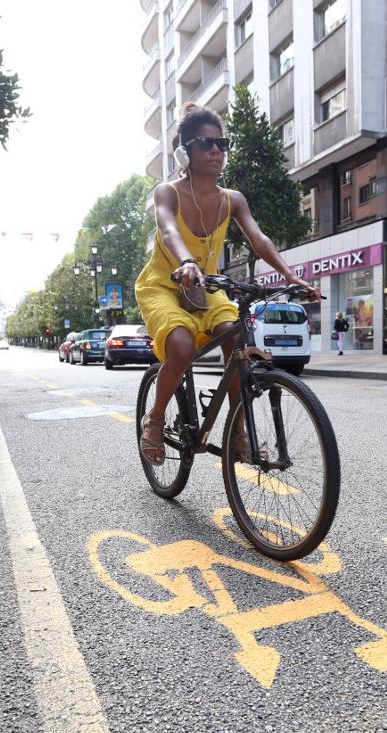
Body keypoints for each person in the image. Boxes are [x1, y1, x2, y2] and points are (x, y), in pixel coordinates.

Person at [136, 102, 318, 466]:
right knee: (183, 347)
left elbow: (259, 238)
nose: (217, 150)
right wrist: (187, 261)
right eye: (206, 144)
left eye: (222, 143)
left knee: (237, 336)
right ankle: (154, 419)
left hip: (208, 287)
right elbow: (168, 228)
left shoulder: (231, 200)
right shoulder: (167, 193)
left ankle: (238, 433)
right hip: (164, 285)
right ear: (184, 151)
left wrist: (288, 274)